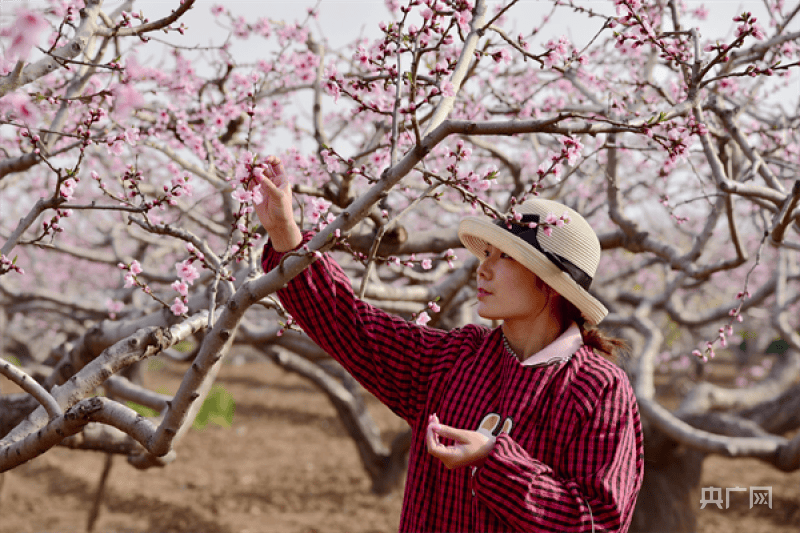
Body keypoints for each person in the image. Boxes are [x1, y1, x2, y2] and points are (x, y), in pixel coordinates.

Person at [253, 155, 644, 532]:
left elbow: (597, 523)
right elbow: (350, 325)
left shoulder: (597, 389)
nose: (483, 267)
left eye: (504, 256)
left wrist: (494, 461)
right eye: (486, 252)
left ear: (551, 284)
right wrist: (286, 235)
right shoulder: (454, 360)